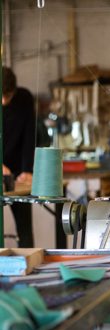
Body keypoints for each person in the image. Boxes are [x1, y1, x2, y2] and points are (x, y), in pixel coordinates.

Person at [2, 66, 36, 247]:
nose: (3, 100)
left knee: (25, 231)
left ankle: (26, 268)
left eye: (7, 96)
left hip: (16, 171)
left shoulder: (24, 99)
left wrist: (27, 170)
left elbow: (29, 137)